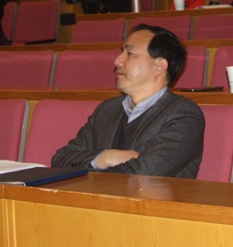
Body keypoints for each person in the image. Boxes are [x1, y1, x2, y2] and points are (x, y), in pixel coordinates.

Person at [51, 25, 205, 178]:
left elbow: (144, 173)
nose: (117, 61)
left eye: (130, 53)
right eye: (121, 52)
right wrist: (104, 158)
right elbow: (61, 161)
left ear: (159, 67)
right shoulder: (107, 109)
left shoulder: (184, 115)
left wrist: (90, 176)